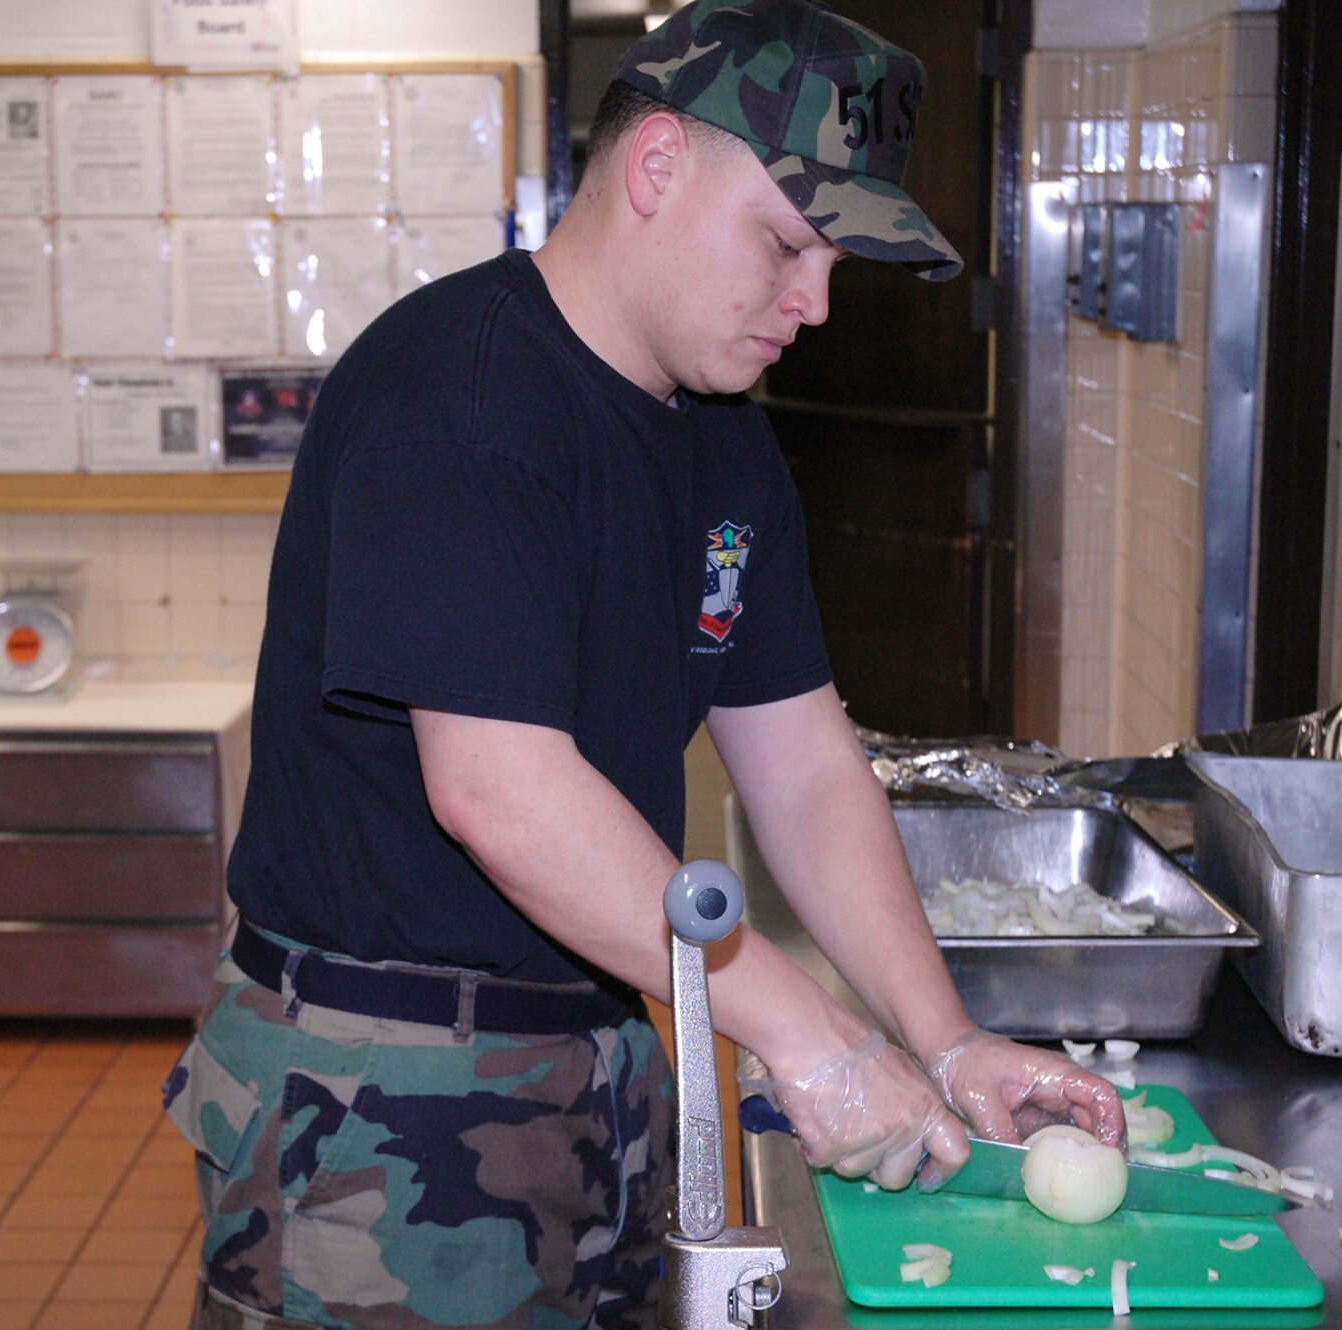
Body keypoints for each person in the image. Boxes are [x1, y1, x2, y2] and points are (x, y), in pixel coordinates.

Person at [163, 2, 1127, 1326]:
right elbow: (497, 790)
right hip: (376, 1096)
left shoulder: (722, 437)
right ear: (659, 167)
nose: (816, 302)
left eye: (835, 260)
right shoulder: (459, 394)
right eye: (788, 243)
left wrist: (942, 1039)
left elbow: (800, 761)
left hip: (600, 1049)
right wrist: (803, 1029)